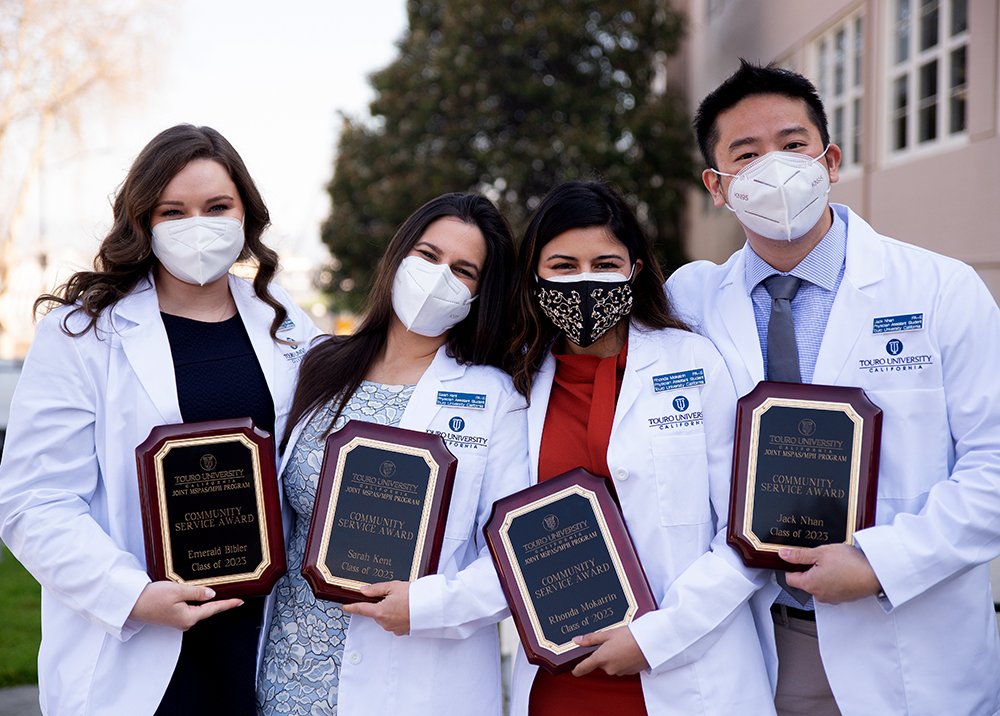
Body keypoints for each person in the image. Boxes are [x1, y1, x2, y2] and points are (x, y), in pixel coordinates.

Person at [666, 59, 1000, 716]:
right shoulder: (689, 301)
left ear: (832, 159)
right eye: (748, 153)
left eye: (793, 146)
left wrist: (881, 562)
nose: (778, 167)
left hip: (908, 639)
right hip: (759, 642)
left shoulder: (939, 290)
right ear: (718, 186)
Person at [0, 124, 320, 716]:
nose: (198, 224)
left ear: (245, 213)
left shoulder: (290, 327)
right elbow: (33, 502)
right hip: (138, 643)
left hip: (259, 641)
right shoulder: (82, 335)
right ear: (143, 221)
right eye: (173, 211)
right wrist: (137, 596)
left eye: (217, 207)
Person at [504, 181, 776, 716]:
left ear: (635, 270)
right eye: (563, 266)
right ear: (533, 275)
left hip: (688, 667)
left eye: (606, 263)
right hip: (563, 677)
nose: (586, 281)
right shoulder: (514, 381)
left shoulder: (693, 363)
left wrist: (655, 637)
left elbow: (748, 533)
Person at [255, 193, 530, 716]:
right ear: (399, 256)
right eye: (429, 256)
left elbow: (516, 559)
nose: (439, 277)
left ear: (480, 293)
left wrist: (426, 607)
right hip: (286, 682)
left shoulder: (496, 400)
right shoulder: (319, 366)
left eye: (463, 270)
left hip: (411, 686)